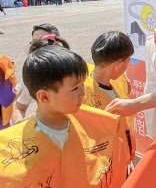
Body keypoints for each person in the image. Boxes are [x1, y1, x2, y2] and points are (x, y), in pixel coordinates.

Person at [0, 45, 131, 187]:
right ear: (44, 97)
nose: (82, 93)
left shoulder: (101, 123)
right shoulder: (7, 149)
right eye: (75, 88)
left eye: (82, 84)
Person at [83, 31, 135, 168]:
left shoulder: (121, 80)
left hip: (126, 157)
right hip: (102, 166)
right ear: (118, 64)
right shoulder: (81, 93)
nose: (127, 67)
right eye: (128, 62)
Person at [11, 23, 61, 124]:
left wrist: (37, 116)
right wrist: (19, 125)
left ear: (57, 42)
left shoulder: (72, 68)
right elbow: (20, 108)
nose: (36, 46)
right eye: (34, 42)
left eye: (42, 40)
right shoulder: (32, 73)